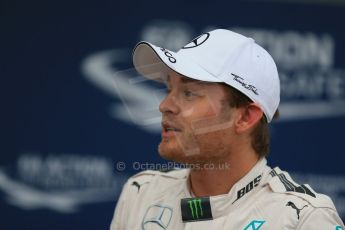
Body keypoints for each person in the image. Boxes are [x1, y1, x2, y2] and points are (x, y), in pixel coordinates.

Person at [110, 29, 344, 230]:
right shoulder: (141, 192)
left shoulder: (302, 219)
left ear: (245, 116)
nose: (164, 106)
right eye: (168, 90)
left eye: (189, 93)